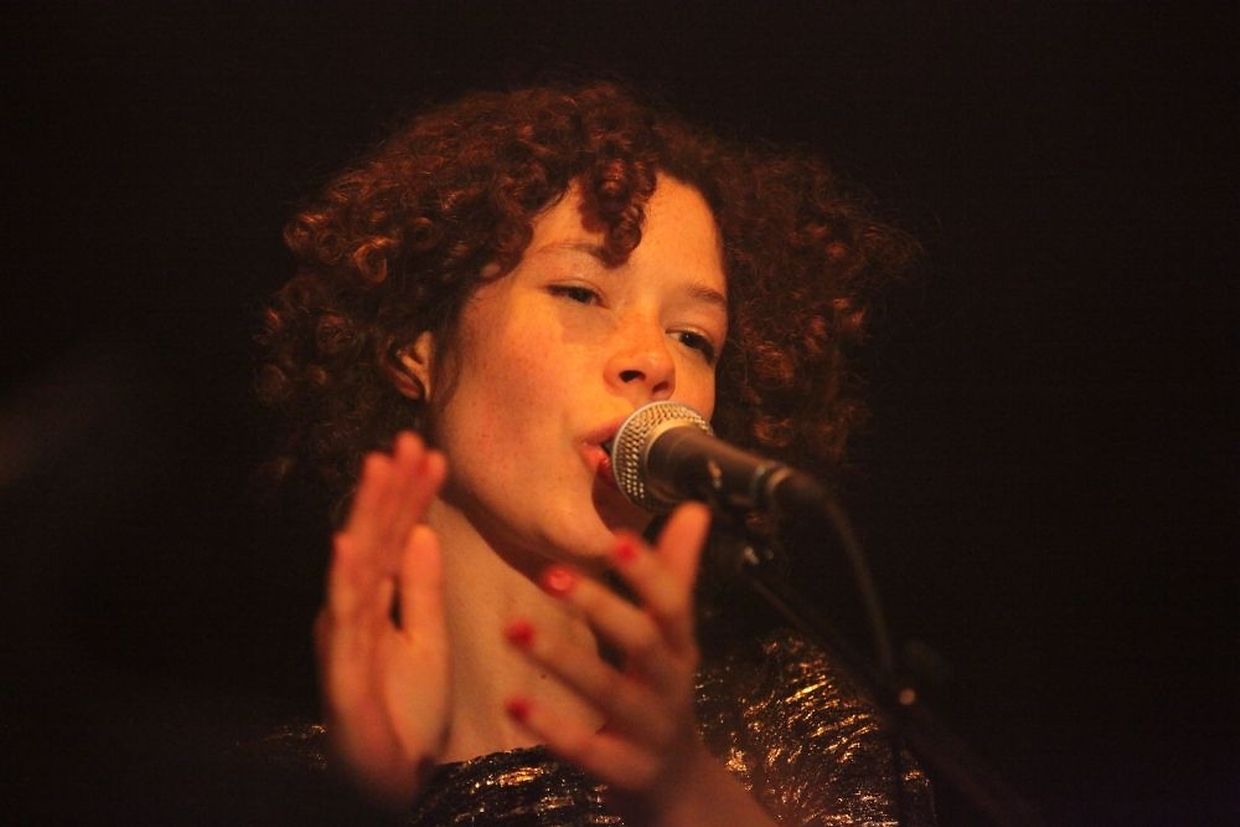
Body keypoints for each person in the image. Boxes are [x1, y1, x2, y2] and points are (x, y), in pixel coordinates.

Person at [259, 82, 933, 824]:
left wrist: (688, 796)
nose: (655, 360)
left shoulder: (789, 725)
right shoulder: (270, 790)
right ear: (415, 341)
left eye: (693, 337)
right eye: (581, 293)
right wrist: (371, 807)